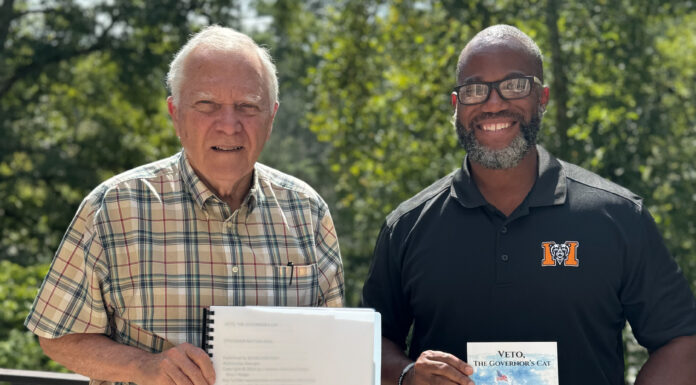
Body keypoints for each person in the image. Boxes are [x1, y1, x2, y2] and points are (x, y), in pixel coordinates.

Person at [362, 24, 696, 385]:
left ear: (543, 98)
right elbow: (367, 344)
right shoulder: (408, 227)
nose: (494, 103)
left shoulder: (617, 216)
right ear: (456, 106)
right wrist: (408, 375)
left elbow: (682, 340)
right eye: (475, 89)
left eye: (514, 85)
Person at [25, 25, 344, 385]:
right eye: (207, 105)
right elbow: (58, 335)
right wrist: (145, 367)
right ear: (175, 114)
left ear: (271, 118)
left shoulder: (307, 212)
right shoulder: (112, 208)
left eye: (247, 106)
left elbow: (329, 347)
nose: (229, 125)